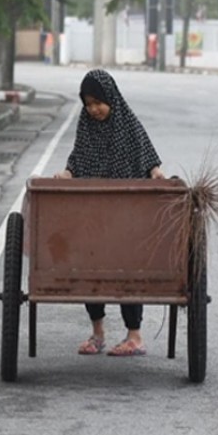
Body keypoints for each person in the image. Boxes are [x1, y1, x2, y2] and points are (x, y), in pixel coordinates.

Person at [54, 69, 164, 356]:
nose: (93, 109)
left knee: (127, 270)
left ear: (110, 97)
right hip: (94, 216)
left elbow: (147, 157)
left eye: (98, 102)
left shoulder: (128, 123)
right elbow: (77, 159)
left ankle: (135, 337)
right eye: (88, 104)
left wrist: (156, 173)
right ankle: (97, 333)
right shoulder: (86, 125)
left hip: (127, 217)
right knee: (90, 268)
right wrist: (67, 173)